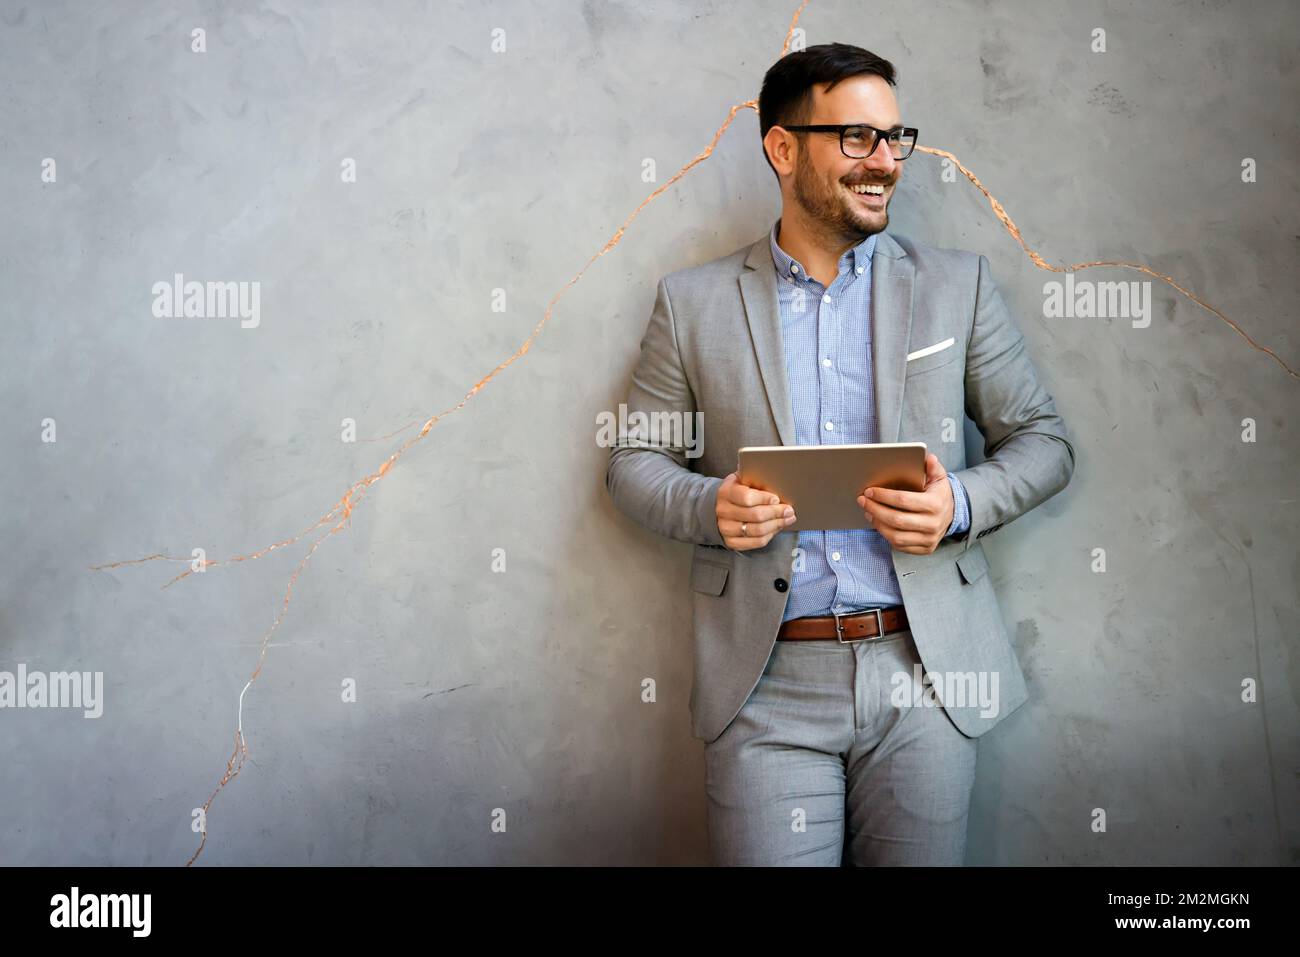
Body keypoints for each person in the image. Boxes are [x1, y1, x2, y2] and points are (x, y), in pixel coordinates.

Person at [605, 42, 1075, 865]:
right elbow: (631, 462)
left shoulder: (954, 284)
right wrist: (709, 507)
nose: (886, 162)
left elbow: (1043, 440)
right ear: (782, 149)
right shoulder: (692, 303)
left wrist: (957, 505)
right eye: (857, 138)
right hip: (764, 686)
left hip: (926, 676)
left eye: (897, 139)